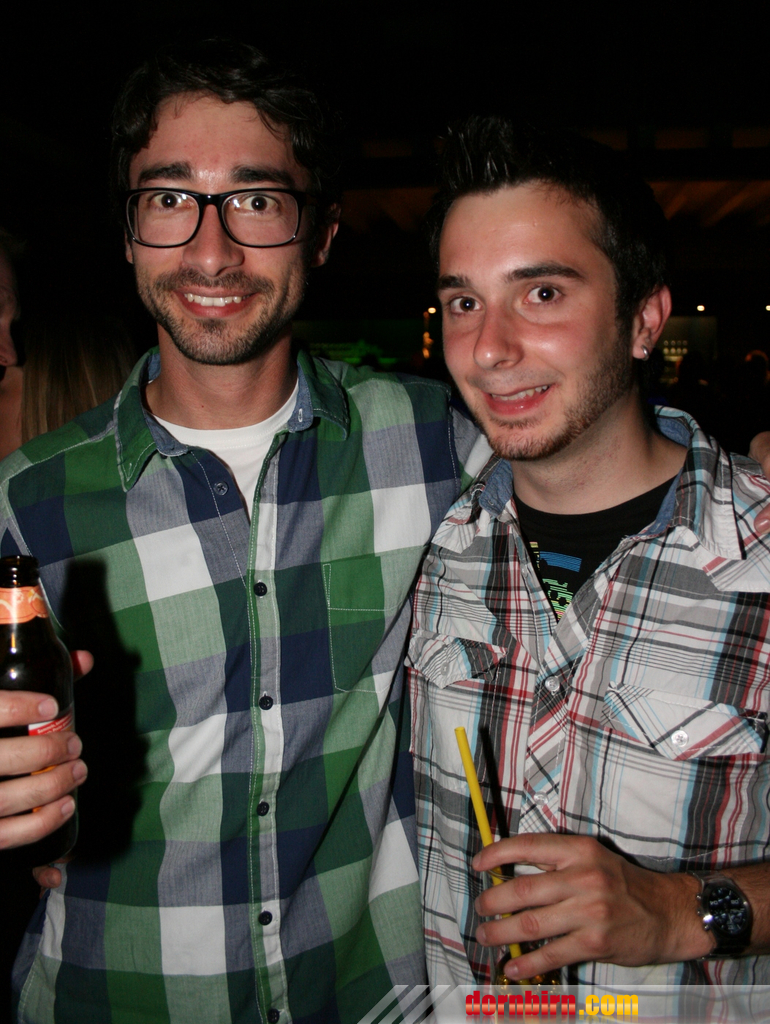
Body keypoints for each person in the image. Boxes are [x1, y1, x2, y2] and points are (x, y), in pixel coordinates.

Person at [0, 41, 490, 1024]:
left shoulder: (437, 440)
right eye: (169, 199)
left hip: (366, 997)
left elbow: (604, 457)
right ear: (129, 232)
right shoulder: (26, 498)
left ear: (322, 235)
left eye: (257, 201)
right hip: (113, 994)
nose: (212, 251)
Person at [407, 117, 770, 1000]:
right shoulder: (429, 542)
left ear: (644, 319)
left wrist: (679, 911)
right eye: (463, 302)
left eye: (541, 293)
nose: (488, 349)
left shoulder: (759, 554)